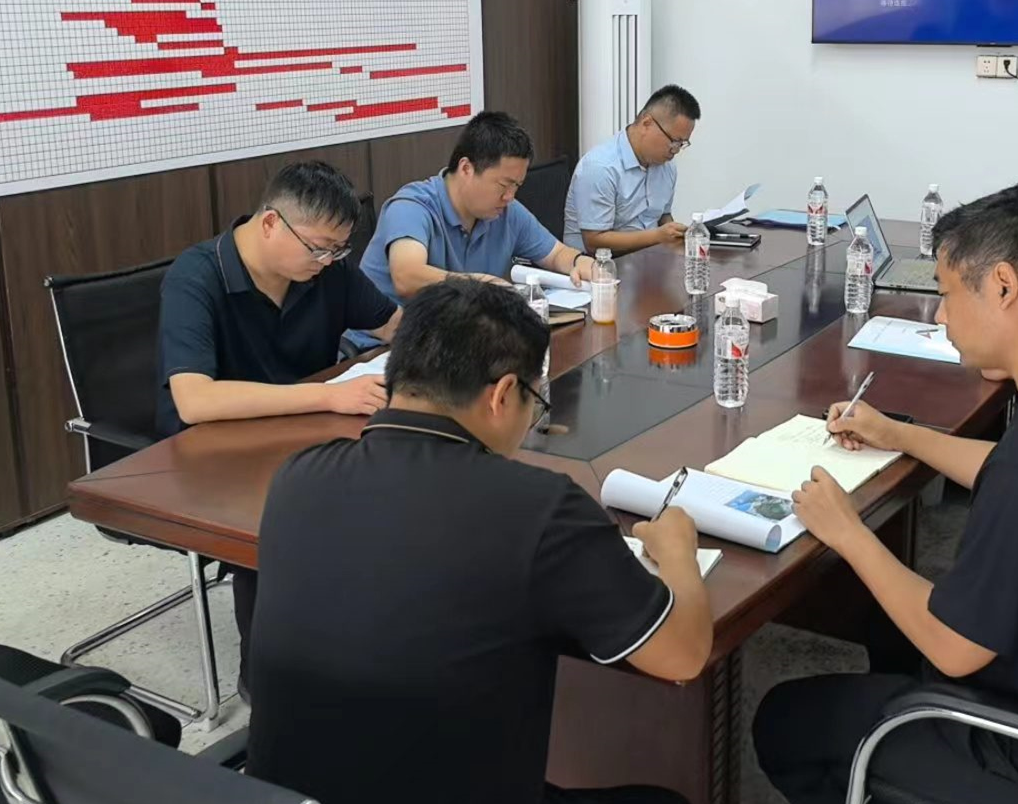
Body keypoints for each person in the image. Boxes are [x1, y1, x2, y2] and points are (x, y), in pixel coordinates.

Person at [753, 187, 1018, 804]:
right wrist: (898, 433)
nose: (940, 316)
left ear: (1003, 286)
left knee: (786, 721)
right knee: (883, 626)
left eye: (949, 293)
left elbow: (953, 649)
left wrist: (847, 531)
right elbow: (1015, 472)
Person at [246, 279, 711, 804]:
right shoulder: (541, 508)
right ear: (503, 394)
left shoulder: (299, 474)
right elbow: (682, 655)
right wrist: (678, 552)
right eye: (535, 402)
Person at [156, 159, 401, 696]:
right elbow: (194, 400)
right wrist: (328, 396)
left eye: (338, 250)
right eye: (320, 248)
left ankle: (367, 640)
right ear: (271, 223)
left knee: (399, 472)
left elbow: (394, 324)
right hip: (211, 452)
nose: (329, 261)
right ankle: (266, 681)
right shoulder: (197, 277)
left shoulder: (325, 269)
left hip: (303, 429)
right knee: (279, 515)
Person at [348, 111, 595, 350]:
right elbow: (407, 276)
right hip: (379, 350)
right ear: (466, 168)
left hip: (452, 344)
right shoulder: (412, 207)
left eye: (517, 186)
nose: (510, 196)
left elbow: (555, 254)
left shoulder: (506, 212)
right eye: (504, 185)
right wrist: (481, 285)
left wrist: (579, 262)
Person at [563, 85, 701, 255]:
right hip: (598, 264)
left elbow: (663, 217)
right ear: (646, 123)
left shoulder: (667, 166)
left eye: (682, 144)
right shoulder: (600, 167)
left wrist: (676, 234)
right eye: (674, 141)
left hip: (648, 258)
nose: (676, 150)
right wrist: (658, 237)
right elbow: (594, 242)